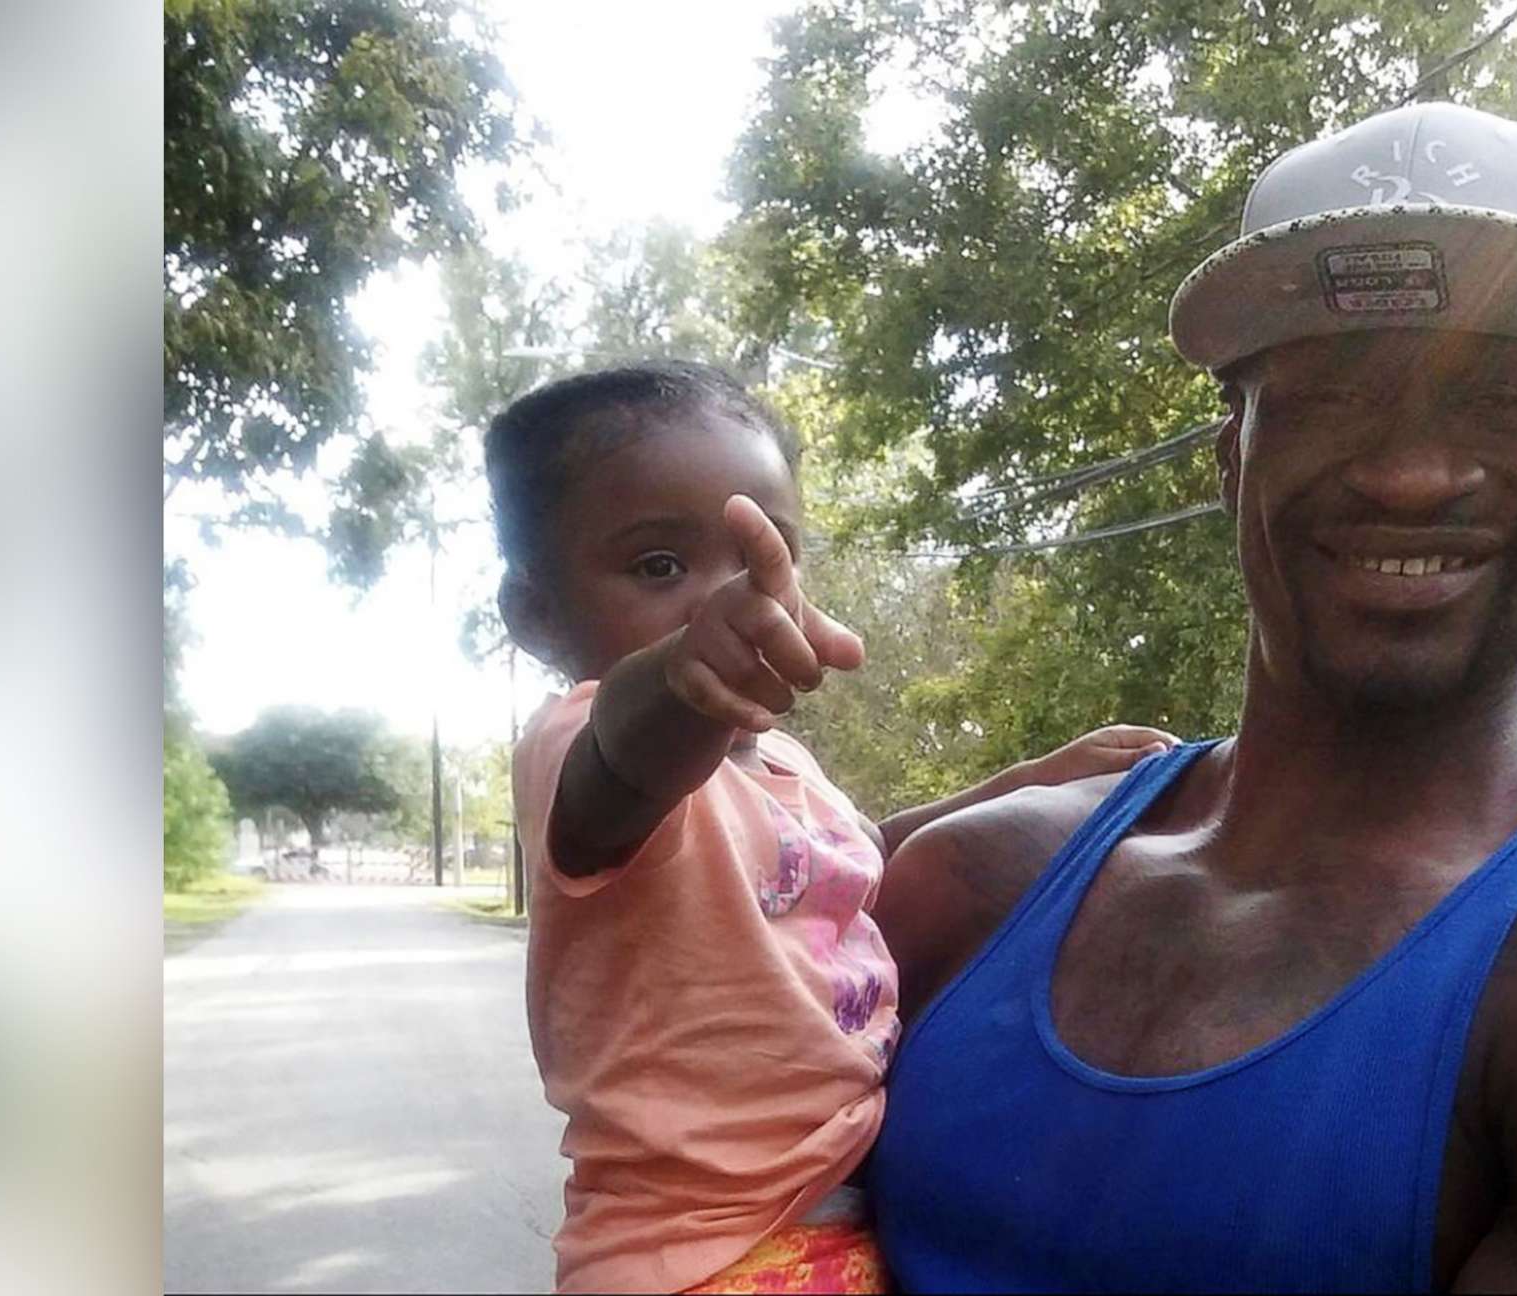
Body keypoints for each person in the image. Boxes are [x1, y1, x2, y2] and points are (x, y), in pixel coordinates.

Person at [866, 102, 1517, 1292]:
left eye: (1507, 400)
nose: (1411, 474)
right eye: (1335, 394)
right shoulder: (970, 884)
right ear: (1229, 446)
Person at [488, 361, 1177, 1294]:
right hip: (706, 1252)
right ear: (534, 613)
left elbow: (866, 859)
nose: (733, 600)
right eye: (659, 566)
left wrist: (1029, 780)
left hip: (822, 1218)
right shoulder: (578, 743)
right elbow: (626, 758)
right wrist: (686, 673)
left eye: (763, 557)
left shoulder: (783, 768)